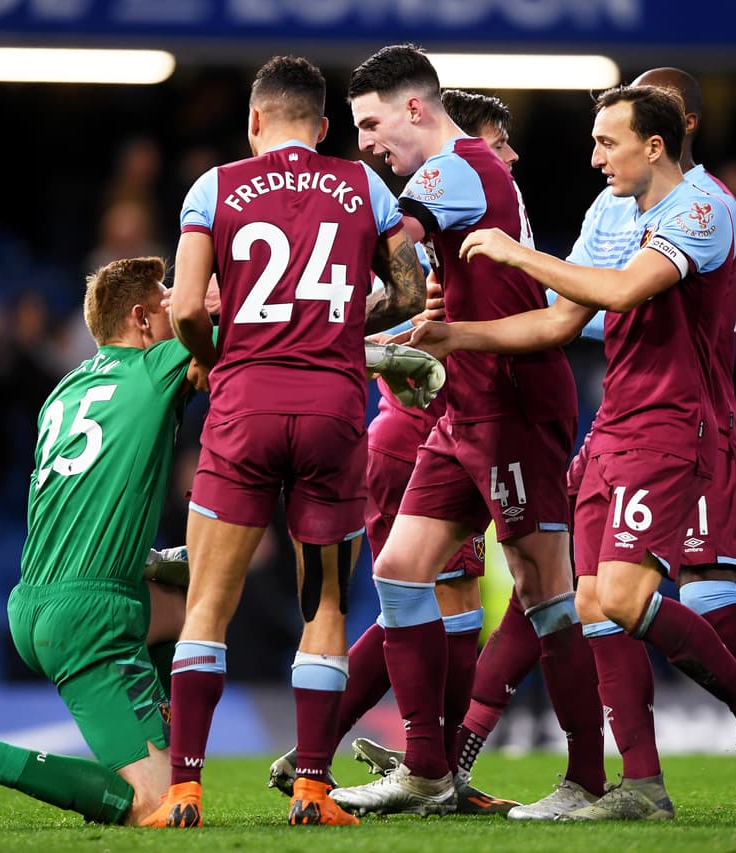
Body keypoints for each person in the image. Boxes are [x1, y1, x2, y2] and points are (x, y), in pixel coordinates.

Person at [404, 83, 736, 817]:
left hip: (676, 423)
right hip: (615, 419)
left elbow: (622, 292)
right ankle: (641, 784)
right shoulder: (614, 208)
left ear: (658, 142)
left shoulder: (704, 209)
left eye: (606, 143)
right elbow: (560, 324)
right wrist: (457, 335)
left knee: (658, 598)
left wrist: (520, 255)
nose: (592, 159)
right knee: (578, 600)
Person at [141, 55, 426, 829]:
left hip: (245, 404)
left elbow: (188, 309)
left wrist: (211, 350)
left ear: (255, 120)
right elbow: (406, 289)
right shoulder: (364, 186)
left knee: (208, 598)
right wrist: (332, 331)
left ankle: (186, 789)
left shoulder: (215, 186)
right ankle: (310, 785)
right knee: (327, 601)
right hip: (334, 409)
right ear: (326, 127)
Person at [328, 45, 607, 819]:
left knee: (546, 594)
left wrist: (292, 299)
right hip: (464, 406)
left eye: (372, 122)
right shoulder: (469, 174)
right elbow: (420, 286)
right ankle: (425, 768)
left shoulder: (452, 170)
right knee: (399, 568)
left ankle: (590, 779)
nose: (367, 142)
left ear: (415, 107)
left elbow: (389, 250)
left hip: (514, 404)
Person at [269, 88, 523, 817]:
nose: (507, 157)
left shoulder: (462, 239)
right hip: (415, 434)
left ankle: (432, 765)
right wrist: (384, 354)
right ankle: (369, 753)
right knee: (429, 593)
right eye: (497, 143)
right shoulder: (442, 201)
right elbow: (377, 314)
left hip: (450, 426)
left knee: (454, 602)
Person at [0, 256, 209, 829]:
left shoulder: (62, 394)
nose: (179, 309)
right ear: (143, 321)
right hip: (90, 614)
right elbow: (226, 323)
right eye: (167, 303)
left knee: (197, 590)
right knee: (161, 803)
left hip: (38, 596)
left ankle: (157, 718)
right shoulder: (153, 369)